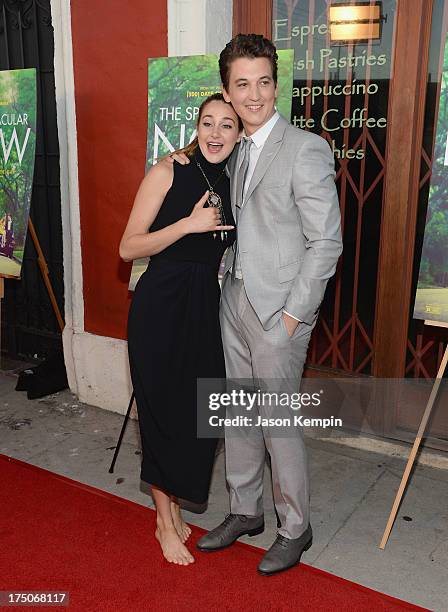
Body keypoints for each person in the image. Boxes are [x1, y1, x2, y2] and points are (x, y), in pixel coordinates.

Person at [171, 34, 343, 576]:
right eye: (241, 84)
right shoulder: (235, 147)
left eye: (263, 82)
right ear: (227, 89)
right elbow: (201, 167)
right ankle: (245, 510)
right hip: (234, 300)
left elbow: (327, 242)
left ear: (276, 85)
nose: (253, 95)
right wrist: (176, 153)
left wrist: (295, 313)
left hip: (280, 312)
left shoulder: (305, 148)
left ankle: (296, 526)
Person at [119, 93, 240, 566]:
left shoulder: (233, 180)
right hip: (160, 304)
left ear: (237, 133)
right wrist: (188, 225)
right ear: (196, 126)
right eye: (207, 122)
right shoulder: (168, 170)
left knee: (200, 413)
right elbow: (128, 247)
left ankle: (172, 505)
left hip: (204, 308)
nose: (215, 133)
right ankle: (163, 520)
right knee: (162, 415)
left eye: (226, 125)